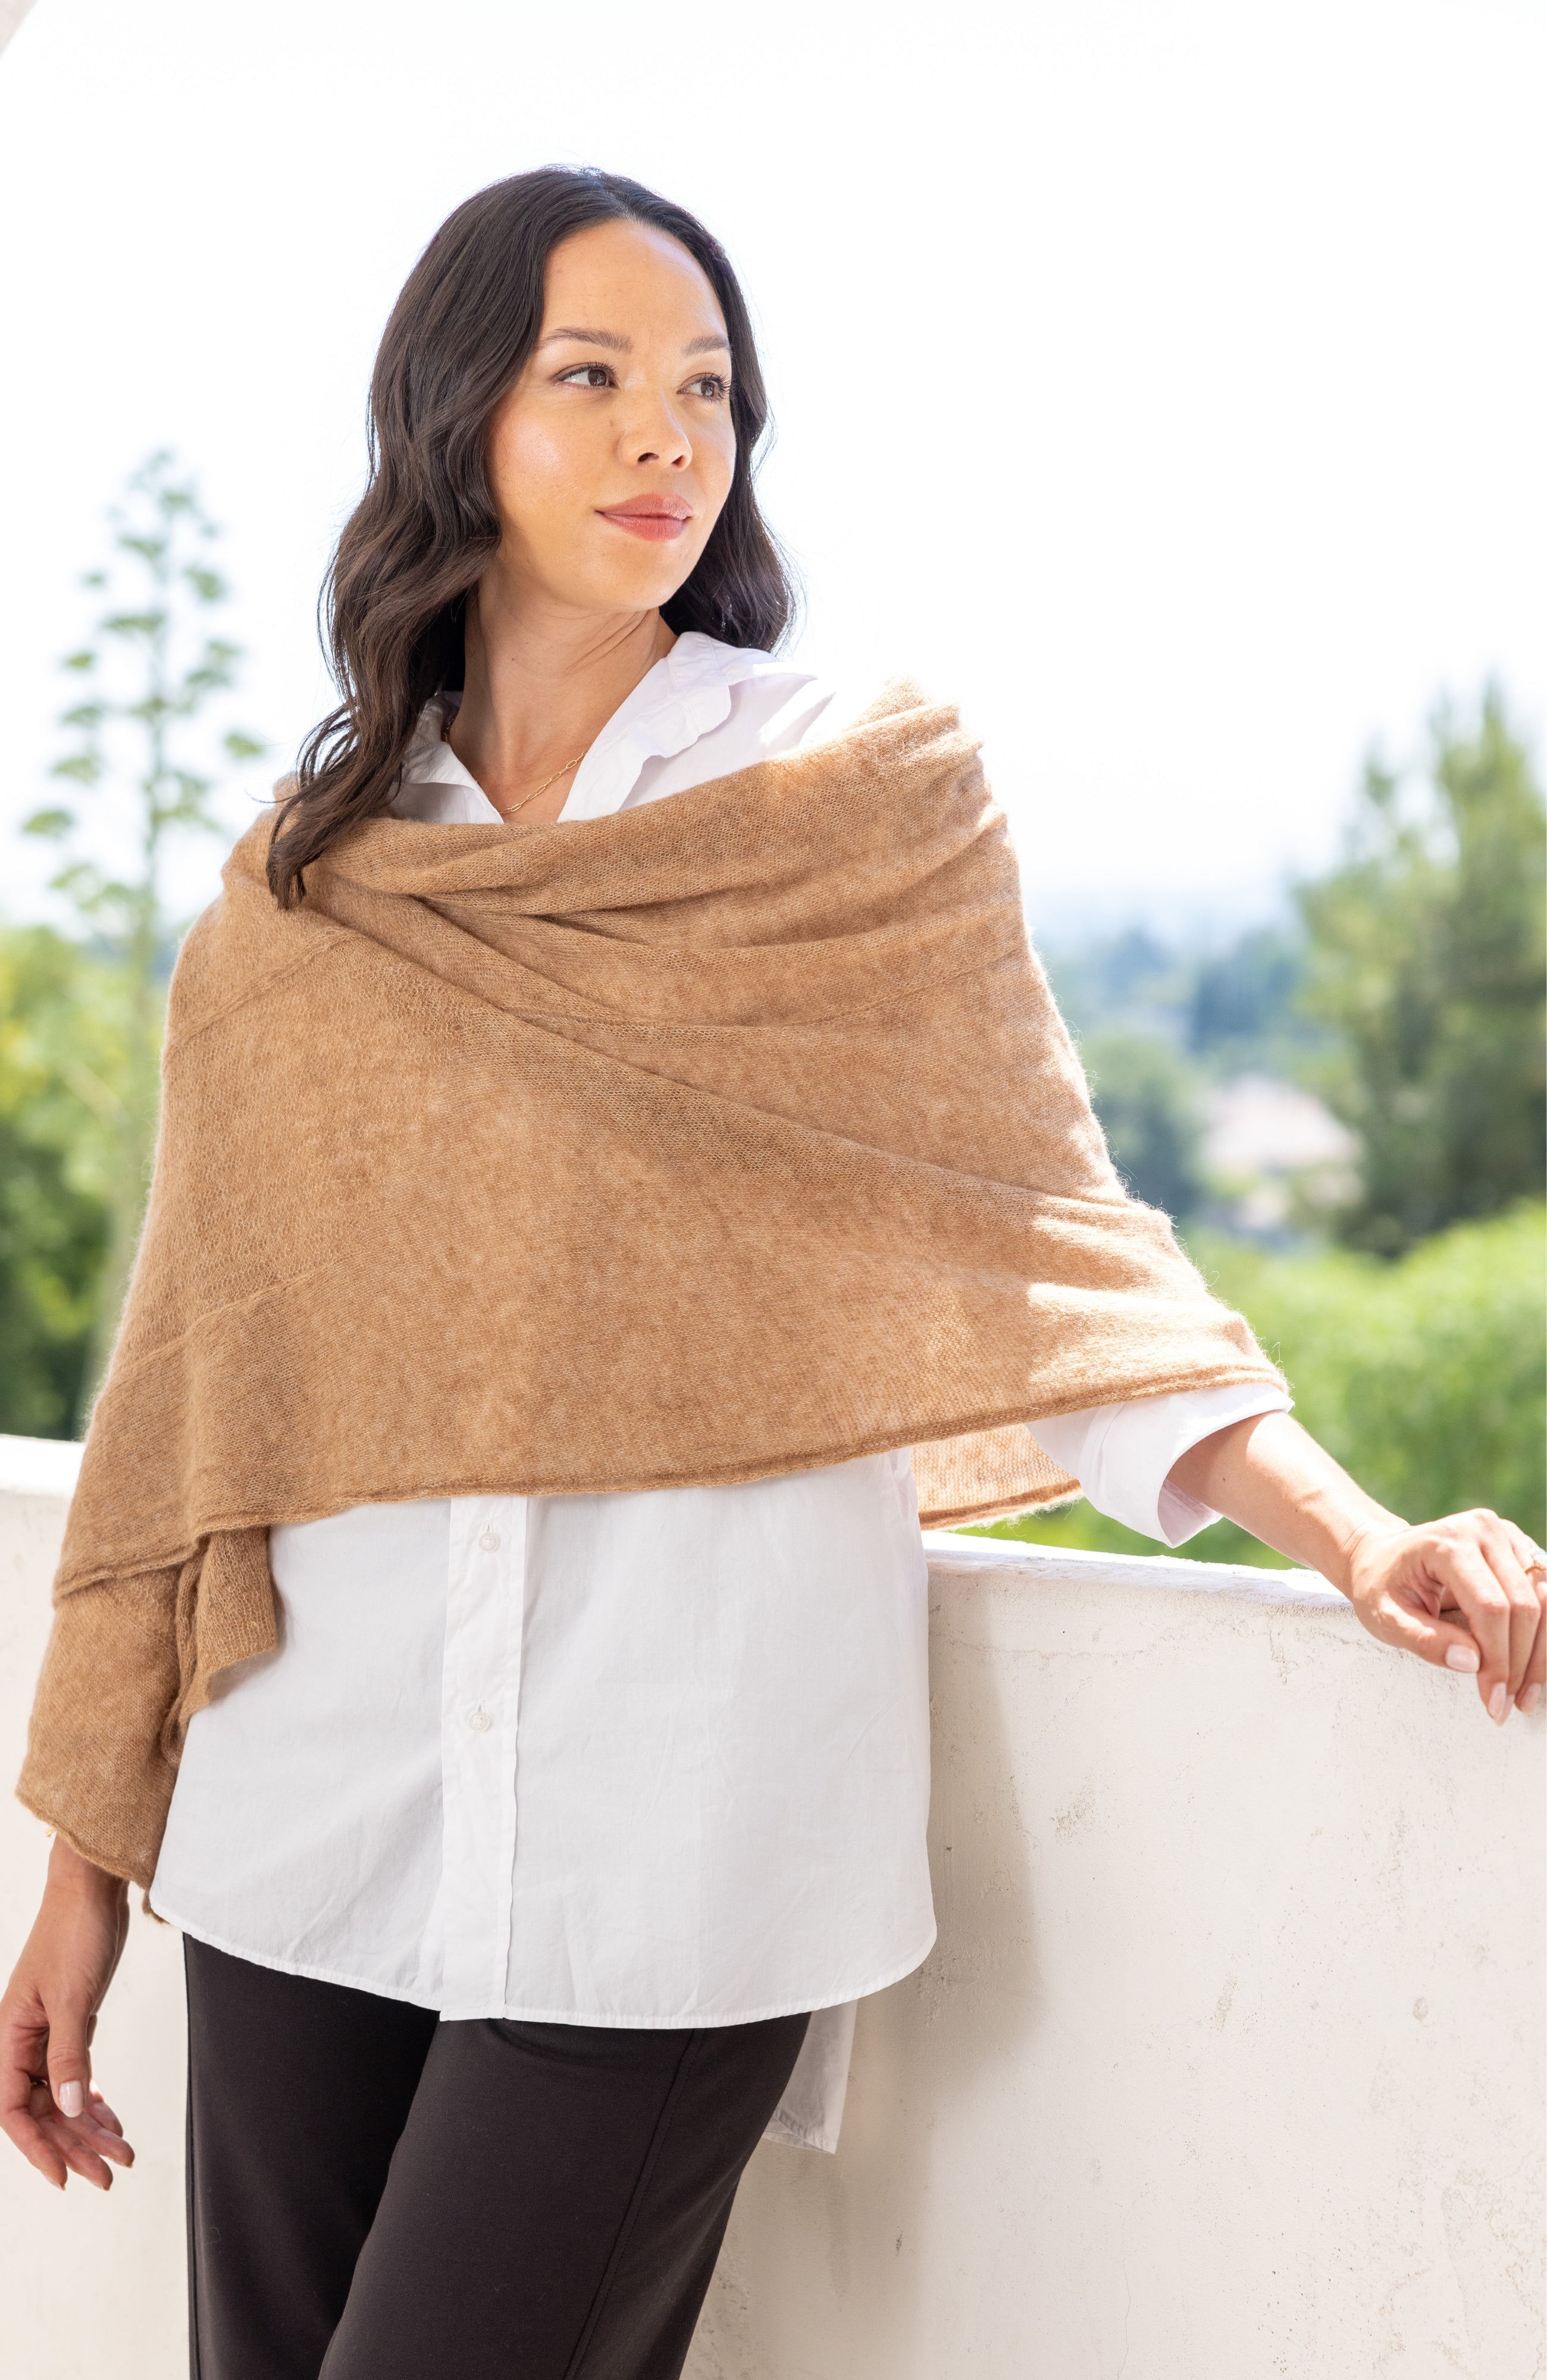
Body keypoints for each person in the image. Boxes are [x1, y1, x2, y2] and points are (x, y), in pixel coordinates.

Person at [2, 167, 1542, 2380]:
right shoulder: (307, 895)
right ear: (455, 419)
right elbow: (190, 1397)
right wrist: (84, 1862)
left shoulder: (852, 794)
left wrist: (1357, 1529)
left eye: (707, 388)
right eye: (593, 375)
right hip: (298, 1823)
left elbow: (1031, 1240)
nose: (667, 435)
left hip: (680, 1841)